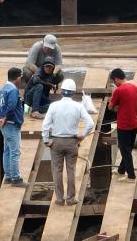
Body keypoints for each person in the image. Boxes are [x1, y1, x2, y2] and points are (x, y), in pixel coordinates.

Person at [41, 78, 94, 206]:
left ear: (61, 92)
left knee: (57, 170)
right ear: (73, 92)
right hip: (72, 141)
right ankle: (71, 199)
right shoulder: (78, 106)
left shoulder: (54, 106)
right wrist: (82, 136)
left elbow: (45, 125)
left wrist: (46, 140)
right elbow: (90, 123)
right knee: (71, 170)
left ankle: (59, 199)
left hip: (56, 142)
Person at [0, 67, 27, 187]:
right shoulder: (13, 90)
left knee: (7, 151)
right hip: (11, 124)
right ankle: (15, 178)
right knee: (15, 152)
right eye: (20, 77)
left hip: (5, 125)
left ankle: (8, 176)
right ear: (18, 78)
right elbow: (12, 106)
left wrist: (1, 117)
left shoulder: (3, 89)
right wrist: (5, 118)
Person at [108, 68, 137, 181]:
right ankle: (121, 170)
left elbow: (110, 107)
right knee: (127, 149)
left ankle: (131, 176)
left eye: (114, 81)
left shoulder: (119, 90)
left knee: (125, 150)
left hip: (124, 125)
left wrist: (113, 95)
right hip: (135, 123)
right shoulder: (134, 87)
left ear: (116, 79)